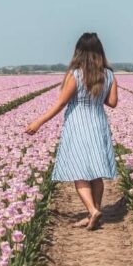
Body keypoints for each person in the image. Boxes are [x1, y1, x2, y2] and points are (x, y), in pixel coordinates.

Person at [25, 32, 118, 229]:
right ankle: (94, 211)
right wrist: (98, 94)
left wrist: (38, 122)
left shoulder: (76, 74)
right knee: (97, 170)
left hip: (78, 125)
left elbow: (61, 104)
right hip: (98, 123)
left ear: (79, 52)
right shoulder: (108, 74)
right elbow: (112, 103)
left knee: (79, 170)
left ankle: (92, 211)